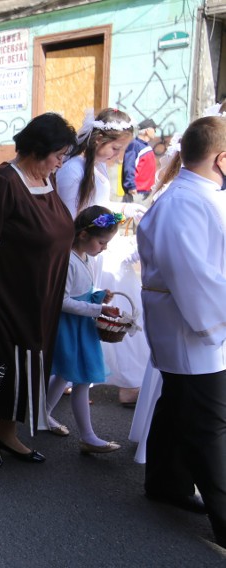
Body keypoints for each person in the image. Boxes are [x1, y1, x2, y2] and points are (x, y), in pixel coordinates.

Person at [0, 112, 77, 468]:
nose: (61, 162)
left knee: (33, 364)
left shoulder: (46, 180)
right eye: (58, 154)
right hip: (7, 296)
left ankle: (7, 431)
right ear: (37, 150)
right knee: (4, 366)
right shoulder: (4, 183)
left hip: (42, 298)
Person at [136, 115, 226, 548]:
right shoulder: (185, 201)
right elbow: (191, 273)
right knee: (211, 425)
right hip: (195, 326)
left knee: (176, 406)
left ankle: (166, 483)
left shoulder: (199, 194)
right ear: (222, 158)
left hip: (188, 321)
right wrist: (215, 321)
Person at [54, 108, 146, 408]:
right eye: (115, 148)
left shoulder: (97, 168)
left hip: (92, 248)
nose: (118, 156)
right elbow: (72, 219)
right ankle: (68, 377)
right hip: (78, 253)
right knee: (79, 313)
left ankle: (75, 379)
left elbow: (98, 209)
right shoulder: (73, 170)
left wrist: (122, 211)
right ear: (98, 140)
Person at [44, 206, 124, 453]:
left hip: (79, 327)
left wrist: (98, 297)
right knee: (82, 377)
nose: (104, 247)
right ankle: (88, 437)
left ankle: (42, 414)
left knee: (67, 374)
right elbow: (62, 300)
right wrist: (97, 309)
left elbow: (82, 293)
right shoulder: (68, 260)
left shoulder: (84, 258)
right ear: (83, 236)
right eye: (102, 242)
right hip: (71, 328)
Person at [122, 117, 157, 202]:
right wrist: (131, 186)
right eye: (154, 129)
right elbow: (129, 166)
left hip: (146, 192)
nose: (155, 132)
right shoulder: (135, 145)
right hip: (137, 193)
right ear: (147, 130)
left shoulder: (146, 146)